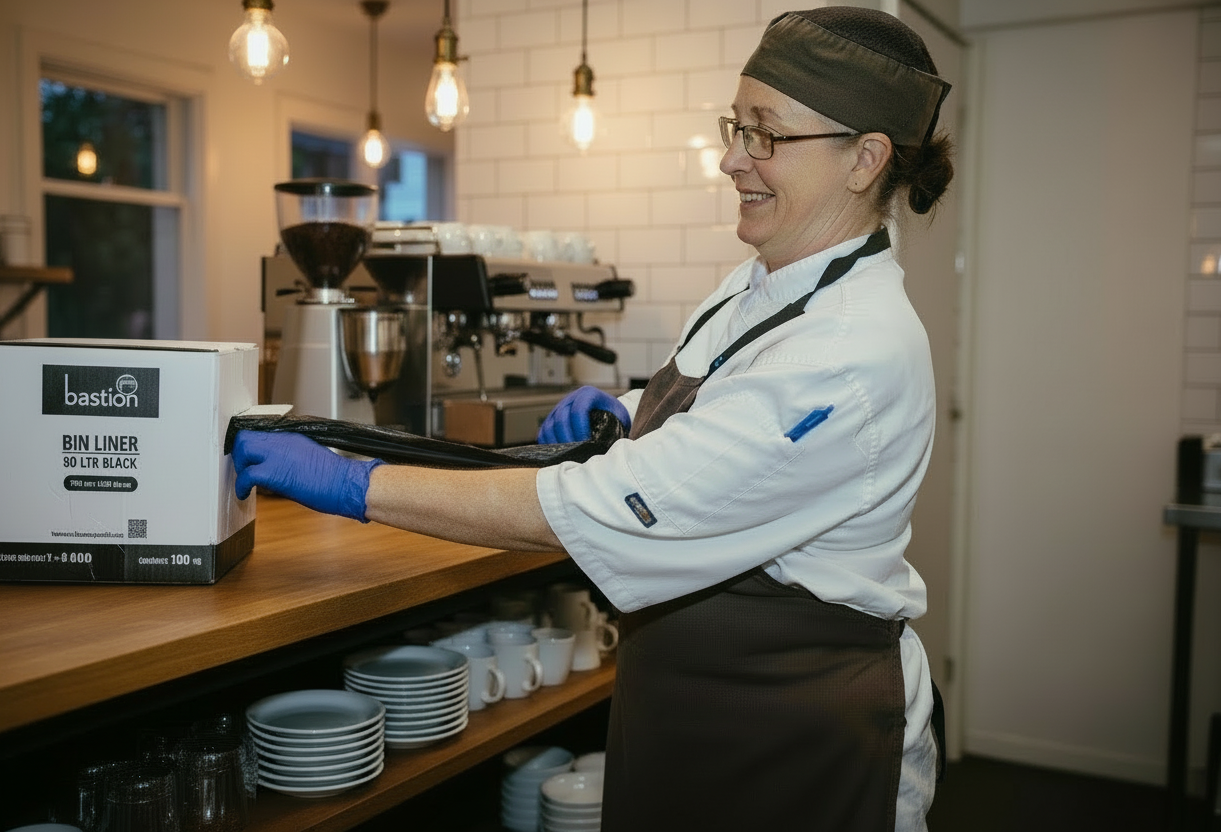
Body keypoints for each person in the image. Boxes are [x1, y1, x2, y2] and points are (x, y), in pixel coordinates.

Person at [232, 7, 954, 831]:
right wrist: (624, 412)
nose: (731, 159)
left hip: (792, 728)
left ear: (865, 159)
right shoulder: (765, 279)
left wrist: (360, 484)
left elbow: (608, 506)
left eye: (766, 134)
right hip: (694, 705)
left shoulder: (852, 349)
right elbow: (723, 403)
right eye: (736, 127)